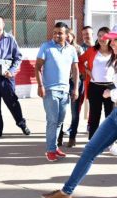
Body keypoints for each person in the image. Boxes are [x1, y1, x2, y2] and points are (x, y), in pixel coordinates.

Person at [42, 23, 117, 198]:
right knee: (90, 150)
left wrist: (110, 92)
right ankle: (66, 191)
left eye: (116, 39)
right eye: (111, 39)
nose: (111, 42)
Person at [35, 22, 79, 161]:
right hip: (50, 90)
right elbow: (37, 67)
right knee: (52, 121)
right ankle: (50, 150)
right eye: (55, 32)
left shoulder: (71, 49)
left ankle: (54, 147)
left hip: (65, 91)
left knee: (60, 121)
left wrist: (76, 88)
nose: (56, 35)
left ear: (67, 35)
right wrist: (40, 86)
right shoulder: (46, 47)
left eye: (60, 33)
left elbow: (75, 69)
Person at [79, 26, 117, 156]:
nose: (101, 38)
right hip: (95, 87)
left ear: (110, 37)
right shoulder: (92, 50)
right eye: (99, 35)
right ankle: (92, 144)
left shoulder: (115, 51)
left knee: (110, 118)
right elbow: (79, 62)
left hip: (110, 87)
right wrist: (86, 71)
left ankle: (111, 144)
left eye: (105, 35)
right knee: (95, 116)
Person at [57, 29, 84, 148]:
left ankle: (72, 137)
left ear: (73, 37)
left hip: (74, 82)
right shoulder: (57, 48)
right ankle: (59, 137)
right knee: (60, 111)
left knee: (74, 112)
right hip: (62, 82)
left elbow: (82, 65)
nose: (67, 38)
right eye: (65, 36)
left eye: (69, 36)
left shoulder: (77, 49)